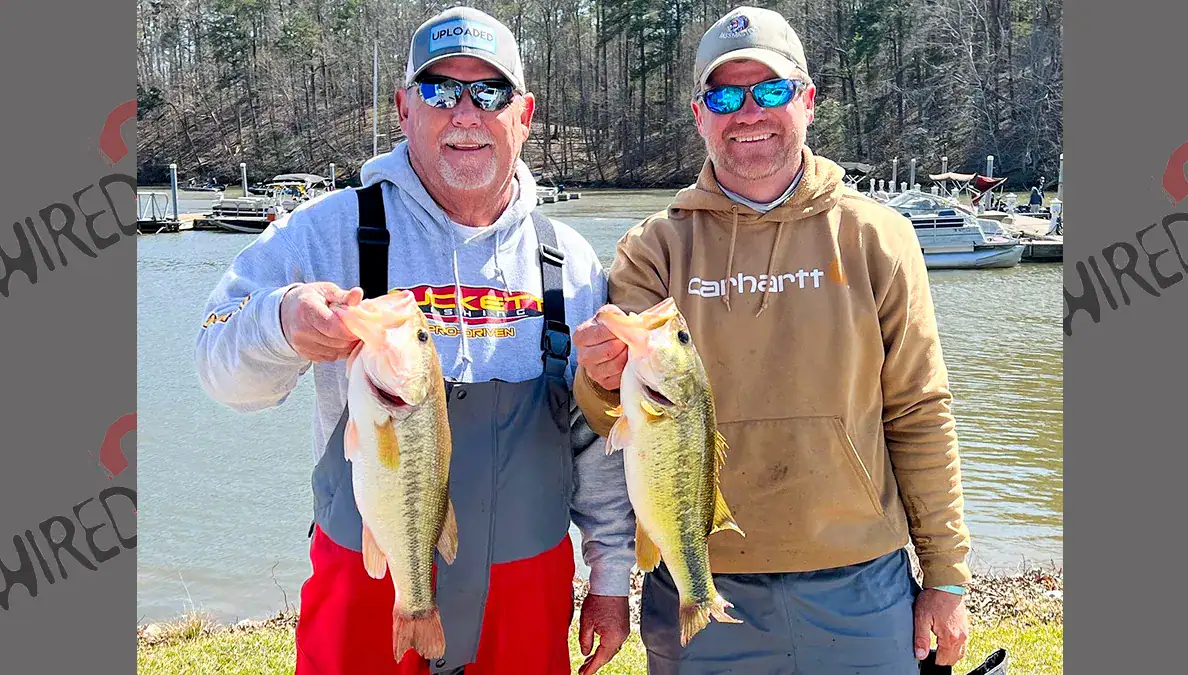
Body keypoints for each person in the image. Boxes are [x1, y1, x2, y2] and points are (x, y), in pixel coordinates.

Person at [195, 7, 635, 675]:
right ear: (404, 108)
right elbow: (218, 367)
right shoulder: (328, 232)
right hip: (366, 586)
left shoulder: (568, 262)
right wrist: (282, 323)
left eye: (489, 92)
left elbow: (597, 439)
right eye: (438, 90)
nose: (464, 112)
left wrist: (608, 577)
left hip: (526, 601)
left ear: (524, 114)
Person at [571, 6, 973, 674]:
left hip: (861, 582)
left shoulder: (878, 237)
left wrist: (947, 574)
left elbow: (920, 410)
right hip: (699, 577)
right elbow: (611, 417)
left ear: (809, 101)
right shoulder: (655, 248)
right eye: (725, 95)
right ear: (700, 114)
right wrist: (600, 375)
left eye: (772, 90)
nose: (749, 111)